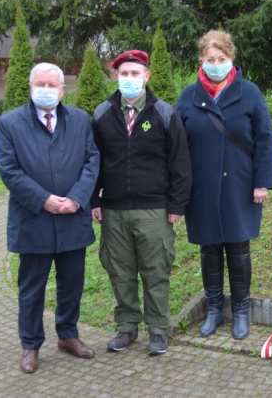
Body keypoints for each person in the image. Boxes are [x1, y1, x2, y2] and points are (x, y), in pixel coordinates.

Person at [0, 62, 100, 374]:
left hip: (72, 218)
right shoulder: (9, 123)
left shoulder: (81, 120)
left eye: (52, 85)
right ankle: (30, 345)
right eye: (40, 84)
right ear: (30, 87)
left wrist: (77, 198)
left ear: (62, 89)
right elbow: (9, 169)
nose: (46, 90)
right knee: (32, 288)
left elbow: (92, 161)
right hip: (34, 221)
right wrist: (45, 201)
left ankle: (68, 336)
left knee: (72, 284)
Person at [176, 30, 272, 340]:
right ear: (201, 61)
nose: (215, 64)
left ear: (231, 59)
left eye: (221, 59)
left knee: (238, 247)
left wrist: (262, 182)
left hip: (240, 184)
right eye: (210, 59)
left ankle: (241, 311)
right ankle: (215, 309)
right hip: (201, 187)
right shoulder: (188, 97)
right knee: (209, 249)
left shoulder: (249, 93)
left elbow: (264, 139)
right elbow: (177, 147)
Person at [90, 49, 191, 357]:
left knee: (155, 271)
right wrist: (95, 199)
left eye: (135, 74)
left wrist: (176, 205)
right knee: (120, 271)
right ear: (115, 77)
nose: (130, 79)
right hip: (114, 211)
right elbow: (93, 161)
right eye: (124, 74)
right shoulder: (101, 114)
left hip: (154, 209)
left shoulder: (164, 113)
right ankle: (127, 327)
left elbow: (181, 163)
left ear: (147, 76)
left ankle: (159, 330)